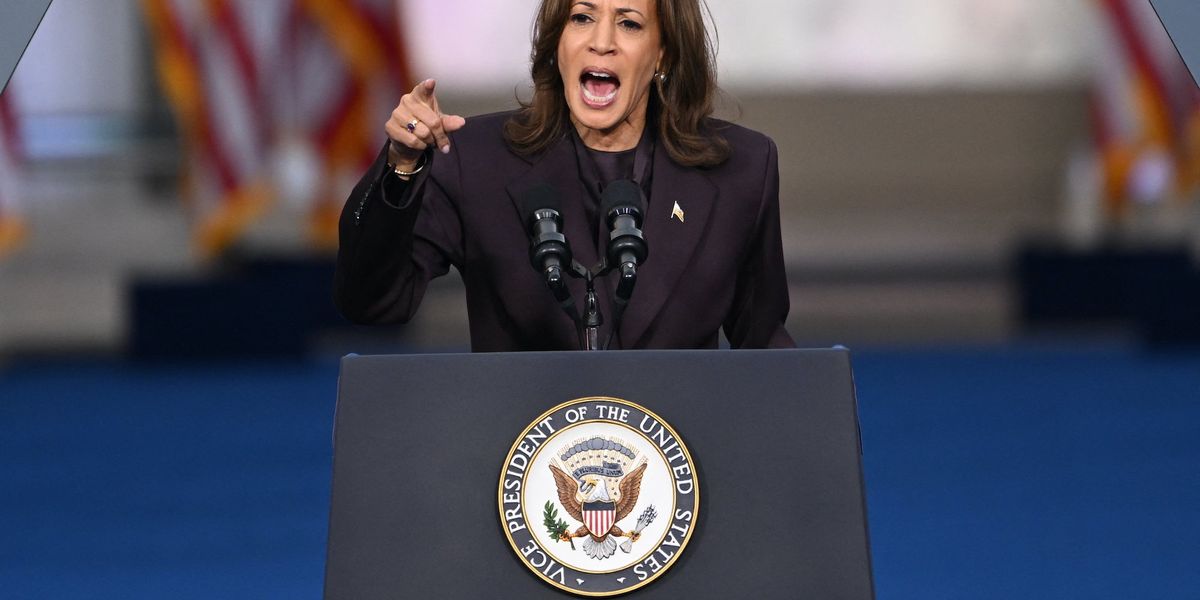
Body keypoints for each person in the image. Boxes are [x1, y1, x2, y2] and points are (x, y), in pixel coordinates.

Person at [334, 0, 794, 351]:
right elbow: (374, 301)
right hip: (522, 445)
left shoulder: (739, 169)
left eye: (629, 23)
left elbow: (765, 345)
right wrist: (402, 166)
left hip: (677, 446)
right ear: (558, 42)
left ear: (664, 55)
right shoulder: (475, 160)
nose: (601, 41)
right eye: (582, 17)